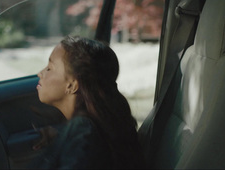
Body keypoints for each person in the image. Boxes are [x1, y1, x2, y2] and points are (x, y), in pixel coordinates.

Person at [31, 36, 144, 169]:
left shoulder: (83, 131)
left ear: (72, 85)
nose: (40, 73)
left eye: (49, 68)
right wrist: (61, 136)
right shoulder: (88, 129)